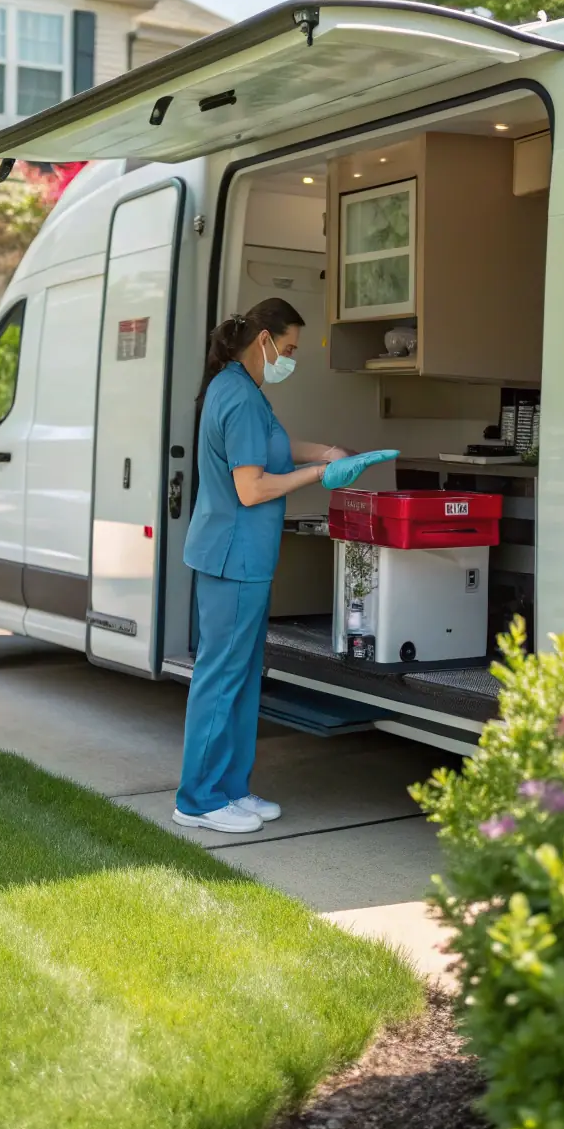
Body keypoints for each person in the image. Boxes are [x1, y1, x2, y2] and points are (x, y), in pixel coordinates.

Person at [173, 298, 398, 834]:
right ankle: (197, 799)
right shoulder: (240, 396)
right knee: (221, 678)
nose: (291, 358)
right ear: (264, 341)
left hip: (244, 557)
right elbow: (252, 489)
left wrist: (322, 452)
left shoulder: (242, 389)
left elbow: (271, 448)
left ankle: (230, 789)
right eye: (290, 348)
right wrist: (321, 477)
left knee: (244, 676)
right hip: (233, 556)